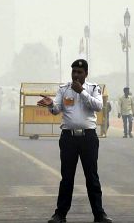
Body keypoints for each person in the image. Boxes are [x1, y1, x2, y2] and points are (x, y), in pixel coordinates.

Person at [37, 59, 112, 223]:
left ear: (86, 73)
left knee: (92, 177)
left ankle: (99, 215)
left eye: (79, 72)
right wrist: (50, 105)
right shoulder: (64, 89)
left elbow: (98, 106)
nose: (76, 75)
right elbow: (56, 109)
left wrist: (82, 92)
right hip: (68, 138)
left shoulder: (93, 88)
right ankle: (60, 214)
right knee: (67, 177)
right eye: (74, 72)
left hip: (88, 138)